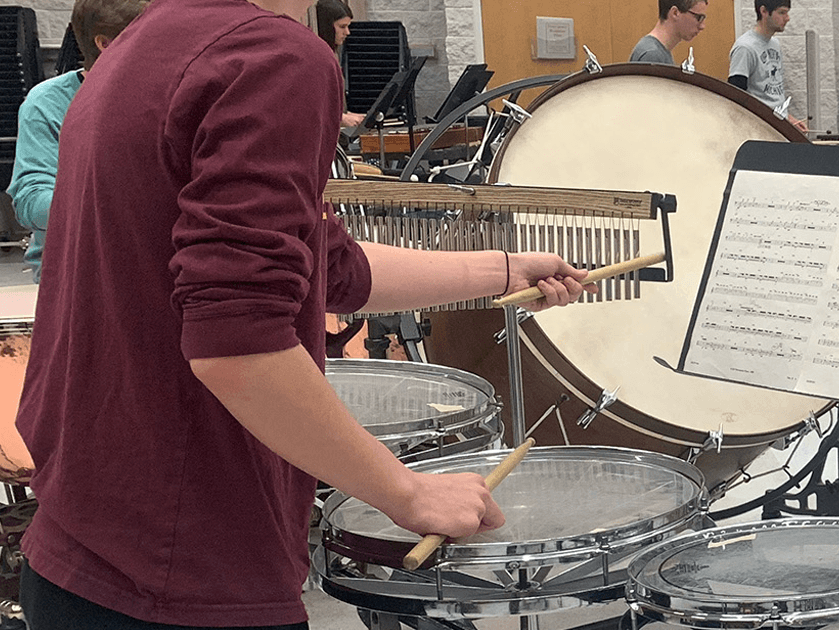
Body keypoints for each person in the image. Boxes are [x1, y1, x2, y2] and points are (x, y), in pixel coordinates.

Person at [14, 0, 593, 627]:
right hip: (186, 574)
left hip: (75, 551)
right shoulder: (272, 55)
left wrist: (503, 270)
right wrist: (408, 492)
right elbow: (238, 345)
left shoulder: (140, 43)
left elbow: (332, 265)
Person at [5, 0, 147, 283]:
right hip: (75, 269)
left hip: (150, 262)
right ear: (106, 44)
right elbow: (31, 199)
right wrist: (117, 205)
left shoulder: (169, 94)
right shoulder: (47, 103)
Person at [728, 0, 808, 132]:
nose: (787, 18)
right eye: (782, 13)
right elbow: (736, 95)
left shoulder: (775, 44)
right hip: (760, 129)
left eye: (787, 13)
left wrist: (788, 118)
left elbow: (772, 93)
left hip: (779, 126)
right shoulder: (745, 48)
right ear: (764, 11)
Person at [315, 0, 365, 128]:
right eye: (342, 27)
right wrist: (341, 118)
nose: (347, 32)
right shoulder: (317, 58)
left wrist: (349, 115)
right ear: (326, 26)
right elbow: (313, 105)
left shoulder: (333, 54)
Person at [629, 0, 708, 64]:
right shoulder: (652, 55)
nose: (702, 26)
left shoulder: (658, 53)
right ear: (675, 13)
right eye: (699, 17)